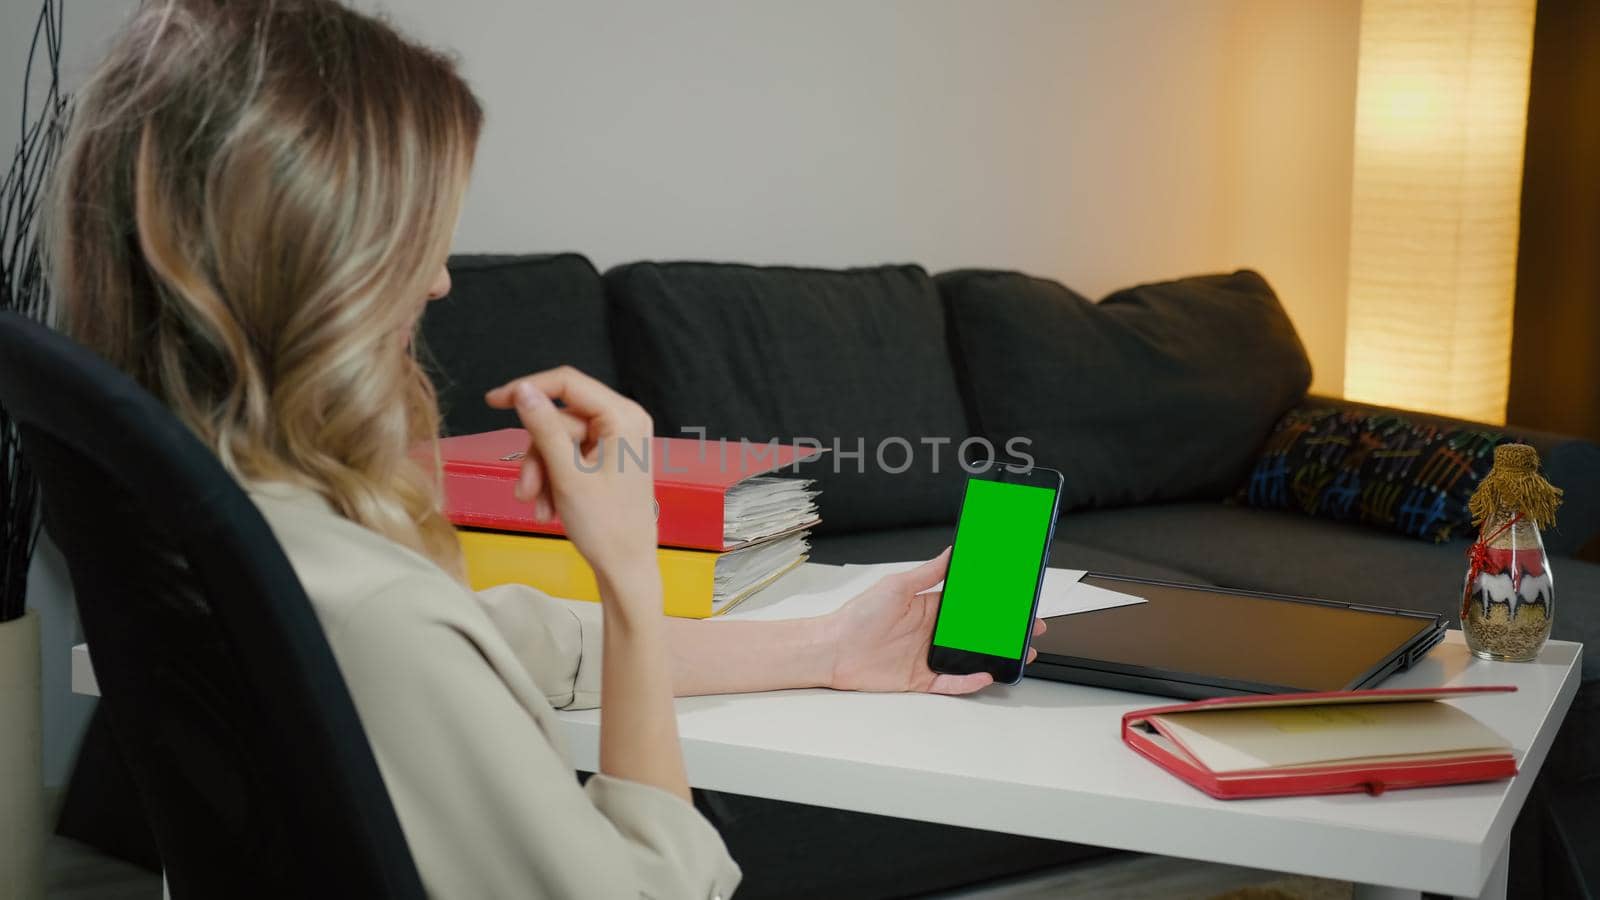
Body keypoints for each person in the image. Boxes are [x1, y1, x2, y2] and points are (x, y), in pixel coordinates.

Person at [50, 1, 1047, 897]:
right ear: (313, 259)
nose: (439, 281)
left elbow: (516, 644)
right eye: (413, 241)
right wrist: (626, 571)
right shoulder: (378, 616)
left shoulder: (201, 523)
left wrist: (828, 645)